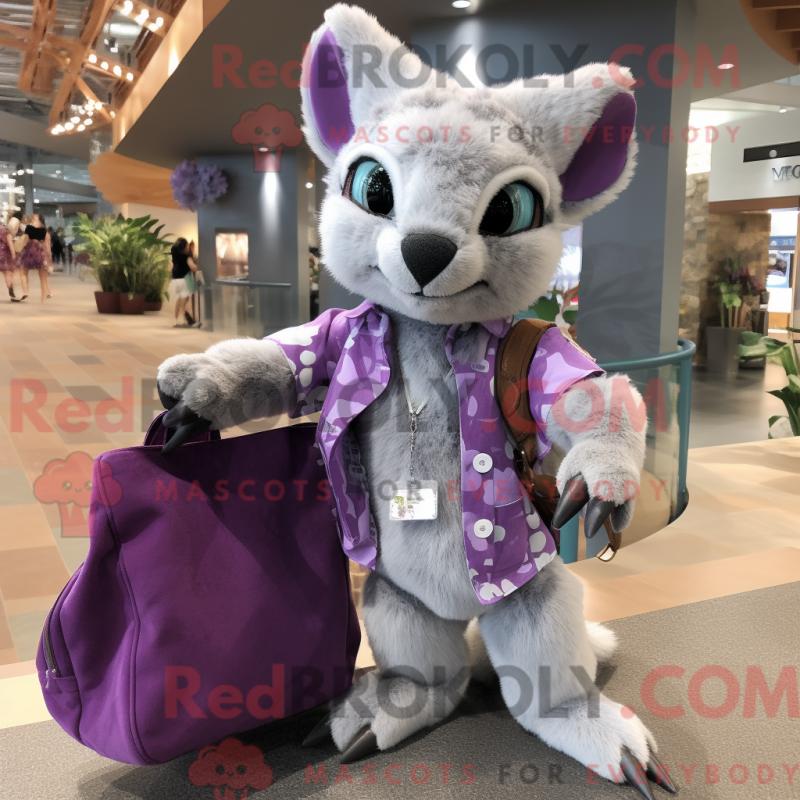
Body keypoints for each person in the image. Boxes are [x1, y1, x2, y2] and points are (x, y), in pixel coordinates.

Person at [18, 212, 52, 303]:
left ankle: (26, 292)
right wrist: (49, 261)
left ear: (40, 221)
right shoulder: (45, 232)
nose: (32, 220)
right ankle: (43, 299)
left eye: (34, 219)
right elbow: (47, 248)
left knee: (23, 271)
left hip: (28, 253)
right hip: (40, 254)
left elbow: (24, 240)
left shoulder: (29, 229)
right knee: (43, 277)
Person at [169, 238, 199, 327]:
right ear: (184, 247)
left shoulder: (176, 256)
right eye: (187, 246)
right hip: (183, 281)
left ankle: (176, 319)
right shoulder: (186, 257)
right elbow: (193, 267)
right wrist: (196, 268)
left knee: (179, 300)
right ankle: (189, 320)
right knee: (184, 301)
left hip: (175, 281)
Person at [0, 217, 17, 300]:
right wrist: (13, 253)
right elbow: (10, 243)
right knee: (7, 273)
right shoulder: (7, 231)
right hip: (4, 255)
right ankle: (11, 289)